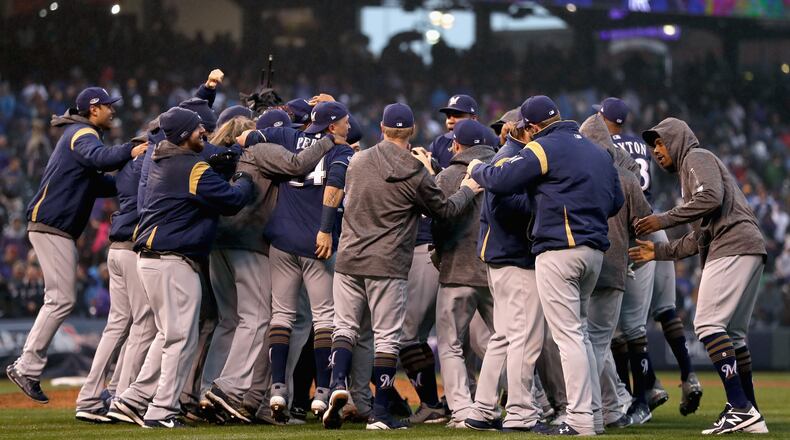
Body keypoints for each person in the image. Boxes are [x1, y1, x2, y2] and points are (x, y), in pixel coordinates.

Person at [469, 95, 623, 436]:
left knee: (567, 337)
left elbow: (500, 181)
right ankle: (593, 416)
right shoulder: (598, 152)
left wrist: (476, 168)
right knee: (579, 333)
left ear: (534, 126)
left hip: (560, 250)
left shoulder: (543, 147)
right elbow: (616, 200)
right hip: (594, 252)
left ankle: (580, 419)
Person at [323, 103, 481, 431]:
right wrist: (468, 188)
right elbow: (445, 210)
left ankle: (337, 383)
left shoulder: (357, 160)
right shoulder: (414, 170)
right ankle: (380, 414)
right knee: (386, 338)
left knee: (345, 327)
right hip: (387, 261)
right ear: (411, 132)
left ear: (381, 128)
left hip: (350, 257)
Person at [109, 107, 253, 428]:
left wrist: (218, 162)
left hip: (155, 259)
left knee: (167, 335)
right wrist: (244, 178)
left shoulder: (164, 158)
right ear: (185, 135)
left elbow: (198, 169)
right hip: (172, 260)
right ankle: (161, 410)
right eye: (198, 129)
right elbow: (230, 200)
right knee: (179, 338)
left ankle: (132, 399)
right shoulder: (189, 166)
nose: (203, 132)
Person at [629, 117, 768, 435]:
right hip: (747, 246)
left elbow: (711, 198)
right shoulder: (691, 171)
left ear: (676, 139)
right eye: (652, 146)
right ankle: (750, 410)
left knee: (707, 324)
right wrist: (658, 252)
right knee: (732, 336)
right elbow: (699, 238)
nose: (655, 151)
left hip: (733, 244)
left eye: (660, 142)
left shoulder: (696, 157)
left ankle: (740, 407)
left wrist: (661, 220)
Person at [6, 87, 146, 403]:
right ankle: (27, 366)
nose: (112, 111)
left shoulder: (82, 135)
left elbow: (100, 183)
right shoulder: (81, 132)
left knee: (60, 298)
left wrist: (134, 176)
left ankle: (27, 365)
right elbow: (101, 157)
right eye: (108, 106)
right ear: (93, 109)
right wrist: (132, 150)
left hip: (54, 228)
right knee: (61, 299)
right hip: (51, 226)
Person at [243, 101, 353, 422]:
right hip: (314, 243)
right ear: (332, 127)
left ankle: (278, 388)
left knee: (282, 315)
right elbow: (334, 187)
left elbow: (245, 139)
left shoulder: (286, 137)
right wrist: (325, 229)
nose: (348, 127)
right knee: (324, 319)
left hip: (280, 239)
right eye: (344, 122)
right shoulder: (339, 150)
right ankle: (321, 394)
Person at [596, 97, 701, 417]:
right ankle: (686, 375)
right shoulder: (639, 146)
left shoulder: (604, 146)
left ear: (604, 120)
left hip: (630, 229)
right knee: (667, 311)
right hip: (655, 222)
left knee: (624, 327)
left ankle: (639, 396)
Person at [464, 119, 546, 433]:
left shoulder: (514, 155)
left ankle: (482, 409)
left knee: (504, 336)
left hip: (505, 257)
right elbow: (503, 207)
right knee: (525, 337)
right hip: (513, 258)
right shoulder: (511, 158)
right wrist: (541, 202)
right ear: (527, 129)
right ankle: (520, 413)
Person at [579, 112, 653, 429]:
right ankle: (606, 409)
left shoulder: (574, 173)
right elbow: (645, 224)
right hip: (612, 270)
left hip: (580, 264)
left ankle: (593, 412)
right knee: (597, 343)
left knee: (584, 342)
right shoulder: (627, 178)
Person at [75, 135, 156, 423]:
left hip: (116, 249)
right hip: (133, 249)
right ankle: (122, 397)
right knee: (145, 321)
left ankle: (90, 396)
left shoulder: (127, 166)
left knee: (118, 325)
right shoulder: (152, 161)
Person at [427, 119, 499, 428]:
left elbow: (438, 224)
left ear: (456, 145)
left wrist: (439, 254)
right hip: (494, 271)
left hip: (456, 270)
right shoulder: (502, 173)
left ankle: (462, 410)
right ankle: (522, 403)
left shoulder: (447, 175)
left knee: (450, 344)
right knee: (505, 341)